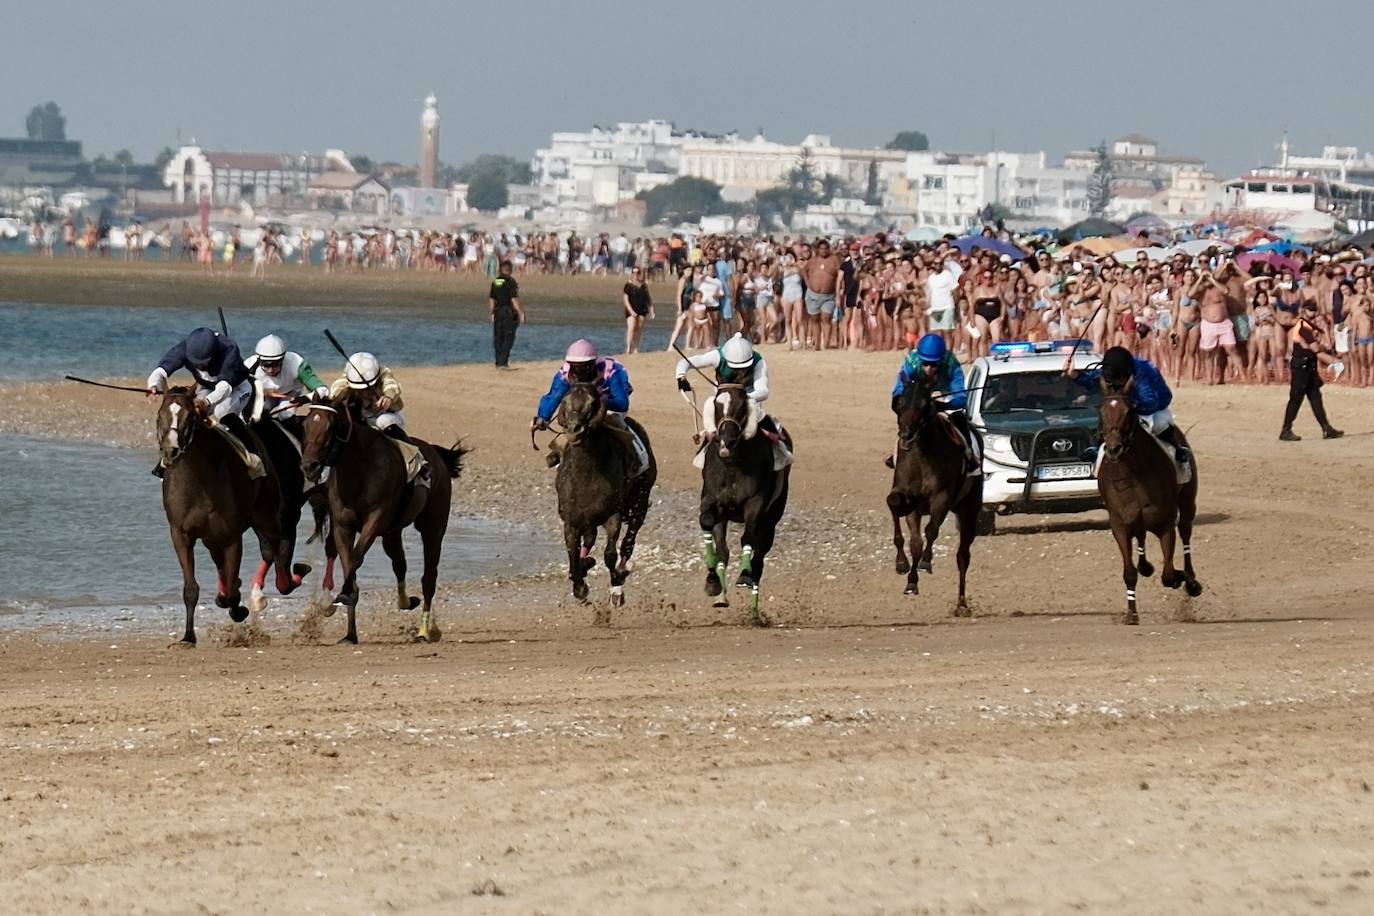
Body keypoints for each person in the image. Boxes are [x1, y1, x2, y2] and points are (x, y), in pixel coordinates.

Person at [145, 327, 260, 478]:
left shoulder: (229, 350)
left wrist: (205, 402)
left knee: (220, 415)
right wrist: (153, 386)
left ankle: (252, 455)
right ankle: (167, 458)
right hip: (206, 387)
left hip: (236, 388)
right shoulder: (185, 348)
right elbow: (160, 371)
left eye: (204, 363)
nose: (199, 366)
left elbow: (224, 388)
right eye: (195, 363)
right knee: (188, 415)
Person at [531, 339, 649, 477]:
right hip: (580, 411)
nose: (580, 371)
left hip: (608, 409)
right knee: (570, 427)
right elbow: (554, 396)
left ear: (593, 363)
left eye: (584, 367)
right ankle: (560, 455)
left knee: (616, 424)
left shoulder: (613, 369)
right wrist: (542, 417)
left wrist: (600, 401)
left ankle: (635, 456)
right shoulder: (565, 373)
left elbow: (622, 403)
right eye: (575, 367)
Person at [674, 333, 792, 469]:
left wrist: (742, 398)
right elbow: (685, 363)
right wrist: (681, 377)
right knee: (709, 406)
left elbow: (763, 391)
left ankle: (780, 451)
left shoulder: (758, 361)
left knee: (759, 416)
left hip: (747, 400)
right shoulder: (717, 356)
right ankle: (704, 452)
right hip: (722, 401)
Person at [1064, 345, 1191, 465]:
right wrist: (1075, 375)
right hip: (1127, 403)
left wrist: (1130, 406)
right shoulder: (1112, 367)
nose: (1110, 381)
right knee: (1109, 417)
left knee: (1160, 424)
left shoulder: (1141, 373)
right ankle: (1096, 448)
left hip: (1154, 407)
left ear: (1126, 374)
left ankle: (1178, 448)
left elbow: (1150, 402)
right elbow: (1092, 381)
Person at [887, 333, 975, 469]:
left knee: (959, 417)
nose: (929, 369)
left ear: (941, 361)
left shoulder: (951, 364)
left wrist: (942, 405)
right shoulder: (912, 362)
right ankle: (899, 452)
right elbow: (898, 391)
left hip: (946, 391)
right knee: (909, 417)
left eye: (933, 365)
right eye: (925, 363)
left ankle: (969, 454)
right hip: (919, 390)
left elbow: (961, 398)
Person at [1280, 303, 1344, 441]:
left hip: (1307, 365)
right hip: (1302, 366)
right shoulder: (1304, 327)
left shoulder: (1305, 326)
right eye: (1310, 310)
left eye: (1315, 310)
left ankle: (1326, 428)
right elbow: (1315, 348)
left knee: (1315, 398)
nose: (1313, 313)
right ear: (1304, 311)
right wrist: (1324, 346)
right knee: (1297, 399)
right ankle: (1286, 429)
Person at [245, 334, 329, 422]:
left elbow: (323, 390)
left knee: (285, 415)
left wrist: (305, 398)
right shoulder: (249, 366)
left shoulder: (296, 363)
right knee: (255, 416)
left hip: (290, 394)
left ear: (283, 359)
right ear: (259, 361)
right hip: (264, 395)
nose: (270, 370)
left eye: (275, 365)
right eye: (266, 366)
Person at [328, 352, 407, 438]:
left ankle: (406, 447)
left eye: (365, 389)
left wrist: (388, 397)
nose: (363, 392)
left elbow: (391, 385)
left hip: (389, 416)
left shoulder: (384, 373)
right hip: (363, 418)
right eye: (359, 389)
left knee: (383, 421)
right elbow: (337, 388)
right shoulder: (349, 377)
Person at [489, 260, 526, 368]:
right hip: (508, 312)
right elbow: (513, 298)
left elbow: (492, 299)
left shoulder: (496, 282)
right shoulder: (511, 282)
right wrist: (520, 312)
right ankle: (503, 362)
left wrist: (492, 312)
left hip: (498, 311)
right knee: (508, 337)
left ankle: (498, 361)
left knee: (498, 337)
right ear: (510, 270)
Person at [622, 266, 654, 354]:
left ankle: (635, 347)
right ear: (632, 274)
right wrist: (631, 311)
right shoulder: (628, 285)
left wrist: (651, 310)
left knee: (639, 329)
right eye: (634, 273)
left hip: (642, 309)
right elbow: (626, 299)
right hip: (631, 310)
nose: (636, 275)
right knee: (631, 328)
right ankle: (628, 347)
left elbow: (648, 299)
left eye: (638, 273)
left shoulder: (643, 285)